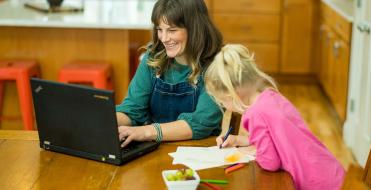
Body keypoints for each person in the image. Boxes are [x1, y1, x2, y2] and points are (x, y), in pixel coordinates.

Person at [204, 44, 345, 190]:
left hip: (316, 184)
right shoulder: (270, 96)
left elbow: (270, 162)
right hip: (330, 173)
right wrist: (239, 140)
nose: (225, 106)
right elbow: (278, 137)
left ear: (234, 94)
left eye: (223, 101)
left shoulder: (255, 114)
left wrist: (251, 151)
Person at [116, 0, 223, 147]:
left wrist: (146, 132)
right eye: (160, 29)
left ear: (195, 29)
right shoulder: (153, 58)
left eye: (172, 30)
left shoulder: (217, 65)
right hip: (155, 151)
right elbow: (133, 110)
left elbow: (201, 122)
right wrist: (103, 119)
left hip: (198, 152)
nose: (164, 38)